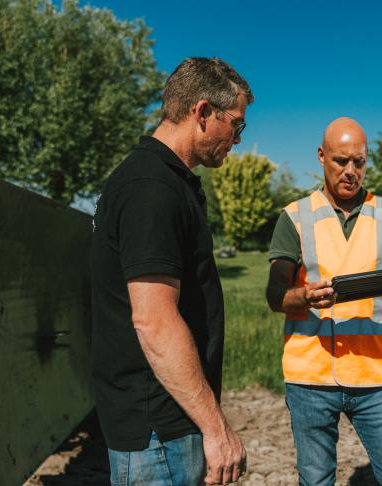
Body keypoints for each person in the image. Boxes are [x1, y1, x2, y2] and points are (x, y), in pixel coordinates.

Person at [91, 57, 252, 486]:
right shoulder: (151, 189)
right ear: (202, 112)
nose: (237, 139)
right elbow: (154, 320)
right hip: (157, 433)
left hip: (167, 423)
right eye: (235, 125)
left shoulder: (166, 181)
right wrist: (216, 428)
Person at [265, 117, 382, 485]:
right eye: (341, 161)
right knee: (317, 480)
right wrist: (303, 296)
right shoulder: (294, 217)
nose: (351, 171)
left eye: (359, 161)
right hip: (310, 378)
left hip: (375, 375)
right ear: (322, 157)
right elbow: (275, 295)